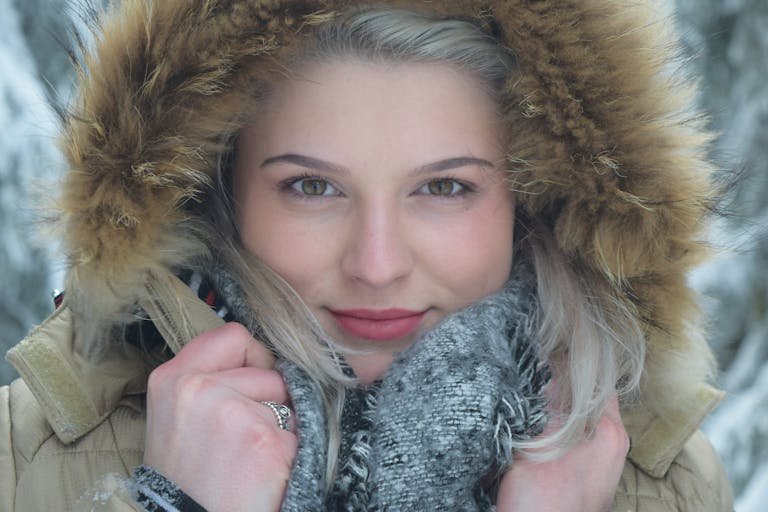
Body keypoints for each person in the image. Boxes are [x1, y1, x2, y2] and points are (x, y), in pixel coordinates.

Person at [0, 1, 734, 510]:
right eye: (312, 186)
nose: (376, 265)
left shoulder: (659, 481)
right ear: (216, 192)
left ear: (532, 204)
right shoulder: (24, 453)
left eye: (444, 187)